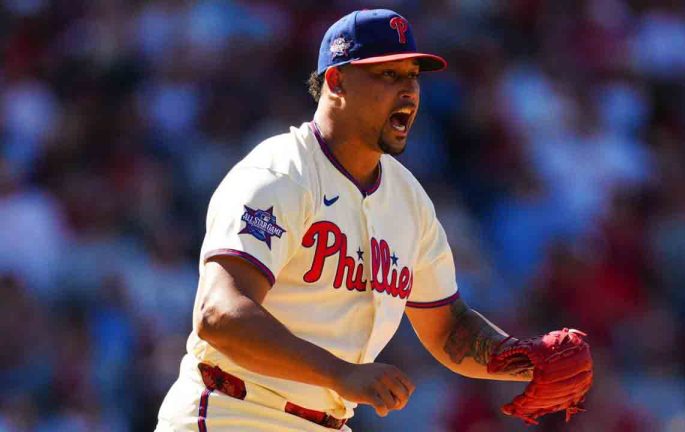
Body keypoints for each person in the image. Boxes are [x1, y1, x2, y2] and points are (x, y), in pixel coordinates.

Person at [156, 9, 590, 432]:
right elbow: (220, 314)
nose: (408, 91)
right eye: (388, 75)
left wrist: (521, 359)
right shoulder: (281, 174)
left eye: (413, 75)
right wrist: (341, 373)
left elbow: (448, 327)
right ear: (336, 81)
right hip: (233, 412)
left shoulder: (408, 199)